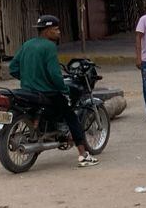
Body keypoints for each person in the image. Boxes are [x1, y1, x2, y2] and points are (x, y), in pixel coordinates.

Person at [10, 15, 96, 167]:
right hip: (47, 93)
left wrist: (29, 78)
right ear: (47, 31)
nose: (59, 32)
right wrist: (64, 90)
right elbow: (55, 75)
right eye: (56, 29)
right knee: (71, 116)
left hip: (28, 90)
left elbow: (13, 68)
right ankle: (83, 155)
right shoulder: (49, 47)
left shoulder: (27, 44)